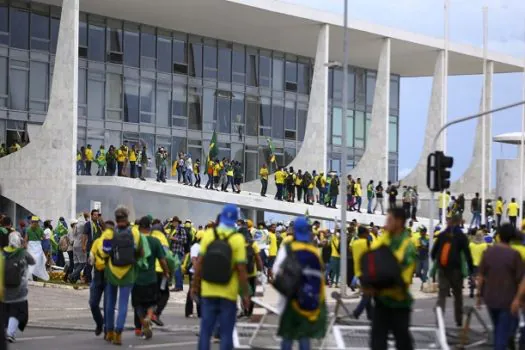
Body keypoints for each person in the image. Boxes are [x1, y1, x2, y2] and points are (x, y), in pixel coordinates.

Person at [191, 204, 250, 350]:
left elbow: (199, 263)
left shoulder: (209, 235)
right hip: (228, 292)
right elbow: (241, 269)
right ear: (236, 220)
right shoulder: (238, 239)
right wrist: (245, 294)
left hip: (208, 289)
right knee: (226, 332)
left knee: (205, 330)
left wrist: (194, 285)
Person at [273, 217, 327, 350]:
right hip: (308, 300)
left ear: (294, 231)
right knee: (304, 336)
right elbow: (320, 277)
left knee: (288, 335)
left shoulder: (288, 248)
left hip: (290, 299)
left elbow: (276, 270)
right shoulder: (314, 251)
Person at [365, 208, 416, 350]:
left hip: (399, 303)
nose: (386, 223)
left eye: (389, 220)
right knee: (377, 341)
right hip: (381, 302)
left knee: (402, 341)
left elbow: (404, 277)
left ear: (399, 222)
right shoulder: (384, 240)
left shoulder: (408, 246)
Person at [99, 207, 143, 345]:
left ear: (116, 219)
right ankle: (118, 334)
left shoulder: (109, 233)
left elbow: (104, 253)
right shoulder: (135, 232)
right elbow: (140, 252)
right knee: (123, 304)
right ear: (127, 218)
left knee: (110, 303)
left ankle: (109, 332)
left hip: (112, 271)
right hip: (128, 271)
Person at [478, 224, 524, 350]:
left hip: (490, 299)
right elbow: (522, 280)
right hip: (507, 301)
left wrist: (478, 296)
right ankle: (507, 339)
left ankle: (508, 337)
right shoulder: (514, 255)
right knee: (501, 335)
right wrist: (518, 299)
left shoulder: (488, 252)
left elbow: (481, 276)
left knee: (499, 328)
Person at [431, 214, 473, 327]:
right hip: (456, 270)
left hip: (443, 269)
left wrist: (438, 264)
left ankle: (439, 320)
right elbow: (467, 253)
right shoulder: (461, 236)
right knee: (458, 295)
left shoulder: (442, 235)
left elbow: (433, 253)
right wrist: (471, 270)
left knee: (442, 295)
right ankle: (458, 320)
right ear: (459, 222)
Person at [133, 217, 170, 340]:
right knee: (151, 302)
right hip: (151, 278)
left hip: (137, 279)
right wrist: (166, 272)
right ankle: (149, 317)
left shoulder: (136, 241)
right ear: (150, 228)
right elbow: (163, 260)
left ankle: (143, 321)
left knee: (138, 304)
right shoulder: (155, 242)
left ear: (139, 227)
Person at [3, 232, 35, 343]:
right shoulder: (22, 253)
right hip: (20, 289)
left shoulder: (3, 253)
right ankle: (10, 333)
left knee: (6, 310)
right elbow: (33, 261)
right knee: (18, 312)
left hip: (4, 288)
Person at [88, 221, 109, 337]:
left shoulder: (113, 242)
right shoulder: (97, 242)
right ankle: (100, 323)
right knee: (93, 303)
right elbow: (91, 256)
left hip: (108, 276)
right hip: (98, 275)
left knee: (106, 305)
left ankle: (107, 329)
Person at [351, 226, 372, 320]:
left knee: (368, 294)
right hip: (367, 271)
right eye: (367, 233)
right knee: (367, 295)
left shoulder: (354, 243)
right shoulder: (366, 242)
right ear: (363, 234)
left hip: (358, 271)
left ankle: (371, 315)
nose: (368, 235)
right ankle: (356, 312)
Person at [25, 217, 49, 281]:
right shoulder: (40, 229)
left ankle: (31, 274)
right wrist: (45, 237)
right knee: (37, 262)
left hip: (30, 246)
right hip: (38, 246)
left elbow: (26, 239)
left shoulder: (28, 229)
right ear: (37, 222)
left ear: (31, 221)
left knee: (31, 260)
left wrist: (25, 246)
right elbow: (44, 238)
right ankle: (35, 275)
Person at [185, 230, 202, 318]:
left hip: (201, 272)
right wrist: (197, 271)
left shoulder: (203, 246)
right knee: (192, 292)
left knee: (200, 292)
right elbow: (194, 259)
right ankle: (188, 311)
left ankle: (200, 312)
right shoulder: (196, 246)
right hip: (194, 272)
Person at [469, 230, 488, 299]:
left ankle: (471, 292)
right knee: (481, 278)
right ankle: (481, 292)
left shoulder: (471, 244)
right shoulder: (484, 245)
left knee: (472, 278)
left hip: (472, 264)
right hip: (481, 264)